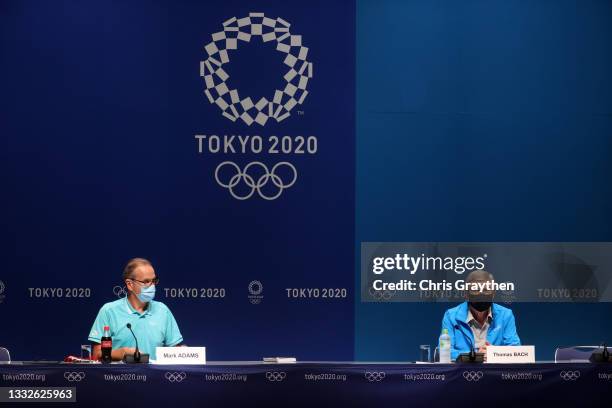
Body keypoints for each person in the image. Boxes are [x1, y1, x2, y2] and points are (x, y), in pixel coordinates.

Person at [88, 258, 183, 361]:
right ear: (130, 284)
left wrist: (185, 353)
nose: (152, 286)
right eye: (146, 281)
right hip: (117, 376)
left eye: (154, 281)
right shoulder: (108, 311)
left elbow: (175, 352)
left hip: (155, 376)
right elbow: (96, 354)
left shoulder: (163, 311)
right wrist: (122, 352)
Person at [440, 270, 520, 361]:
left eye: (486, 290)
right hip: (462, 372)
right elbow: (444, 351)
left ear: (493, 293)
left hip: (495, 372)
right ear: (466, 293)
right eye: (476, 289)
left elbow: (515, 349)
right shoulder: (451, 316)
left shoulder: (506, 315)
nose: (481, 294)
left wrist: (494, 353)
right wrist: (475, 356)